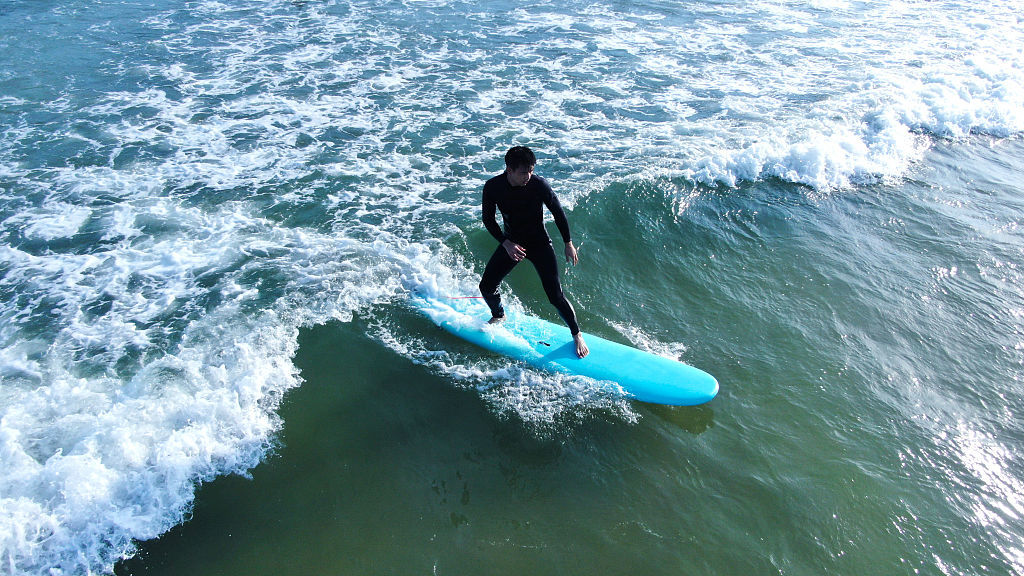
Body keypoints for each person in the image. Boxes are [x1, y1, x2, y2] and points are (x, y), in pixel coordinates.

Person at [478, 146, 589, 359]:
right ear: (509, 170)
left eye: (531, 170)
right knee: (486, 286)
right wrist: (506, 243)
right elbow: (488, 220)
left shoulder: (538, 185)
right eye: (523, 172)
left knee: (555, 296)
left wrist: (568, 242)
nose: (528, 176)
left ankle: (577, 334)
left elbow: (558, 213)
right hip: (513, 243)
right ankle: (498, 315)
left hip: (539, 243)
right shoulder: (493, 187)